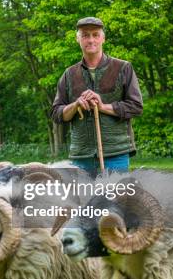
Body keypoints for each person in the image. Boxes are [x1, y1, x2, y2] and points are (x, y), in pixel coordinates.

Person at [50, 17, 143, 175]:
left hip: (116, 154)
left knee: (116, 199)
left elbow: (136, 106)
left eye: (95, 34)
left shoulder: (123, 68)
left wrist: (102, 107)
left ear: (103, 38)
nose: (91, 40)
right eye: (85, 35)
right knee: (84, 200)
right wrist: (76, 105)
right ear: (77, 39)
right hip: (81, 156)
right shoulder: (69, 74)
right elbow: (56, 114)